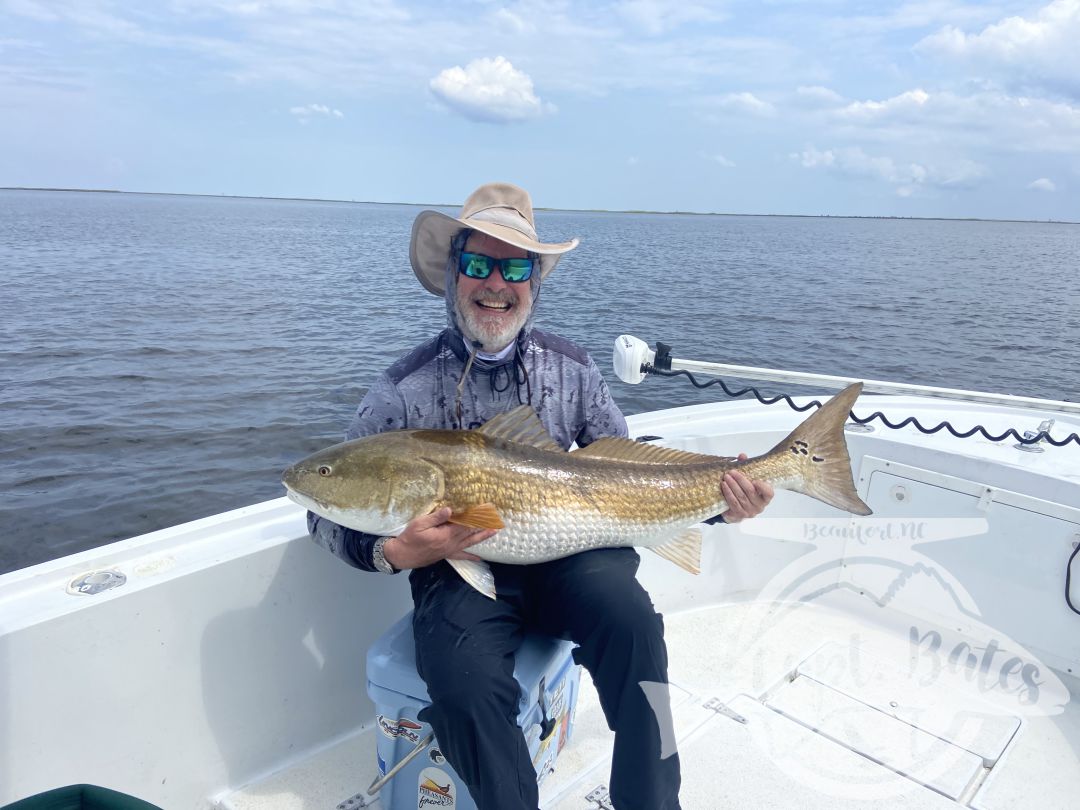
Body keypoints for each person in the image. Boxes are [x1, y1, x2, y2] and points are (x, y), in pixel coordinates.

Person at [308, 182, 774, 810]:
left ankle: (655, 801)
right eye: (477, 264)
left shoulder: (572, 368)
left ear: (535, 281)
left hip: (576, 552)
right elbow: (324, 514)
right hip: (455, 569)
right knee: (462, 686)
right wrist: (395, 552)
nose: (495, 284)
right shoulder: (401, 391)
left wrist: (721, 501)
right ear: (453, 275)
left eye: (515, 267)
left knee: (638, 628)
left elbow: (629, 475)